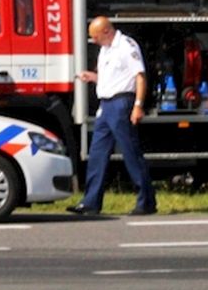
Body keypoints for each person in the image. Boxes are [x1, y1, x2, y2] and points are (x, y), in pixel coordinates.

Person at [67, 16, 157, 216]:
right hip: (106, 105)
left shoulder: (126, 46)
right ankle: (91, 202)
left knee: (130, 152)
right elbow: (112, 78)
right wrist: (93, 78)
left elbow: (139, 77)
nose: (94, 41)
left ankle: (146, 201)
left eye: (96, 36)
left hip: (121, 103)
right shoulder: (105, 49)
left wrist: (138, 105)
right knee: (97, 153)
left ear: (106, 31)